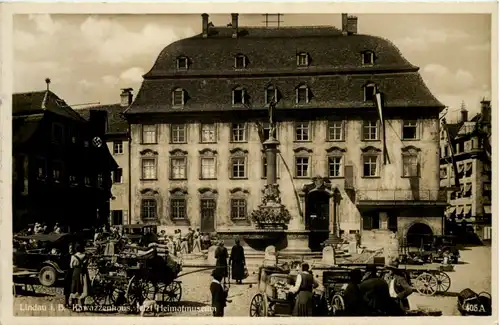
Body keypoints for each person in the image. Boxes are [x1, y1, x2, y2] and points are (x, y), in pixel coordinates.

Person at [69, 242, 90, 309]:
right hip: (84, 272)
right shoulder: (86, 256)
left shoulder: (73, 256)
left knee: (75, 287)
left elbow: (71, 266)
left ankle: (74, 304)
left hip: (76, 272)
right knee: (83, 287)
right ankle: (81, 303)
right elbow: (87, 264)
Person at [63, 242, 75, 308]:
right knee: (67, 289)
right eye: (70, 248)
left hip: (73, 273)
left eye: (72, 248)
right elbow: (63, 265)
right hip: (67, 273)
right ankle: (66, 302)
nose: (71, 249)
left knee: (73, 289)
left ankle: (72, 303)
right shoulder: (66, 256)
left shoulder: (75, 256)